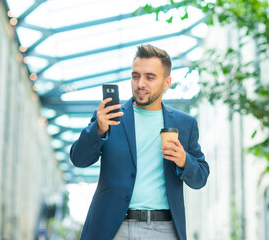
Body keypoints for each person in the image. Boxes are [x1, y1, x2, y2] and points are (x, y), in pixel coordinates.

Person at [70, 44, 210, 240]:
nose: (140, 83)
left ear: (166, 82)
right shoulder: (109, 116)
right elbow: (79, 159)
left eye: (150, 77)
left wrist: (184, 160)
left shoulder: (185, 124)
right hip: (112, 229)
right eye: (135, 76)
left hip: (164, 230)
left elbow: (200, 177)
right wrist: (98, 130)